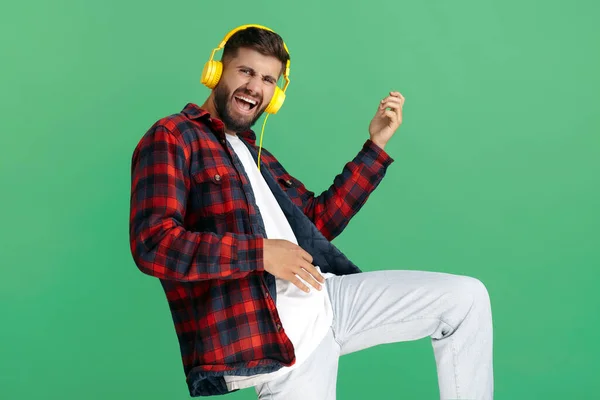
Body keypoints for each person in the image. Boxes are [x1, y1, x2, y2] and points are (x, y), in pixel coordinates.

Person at [129, 24, 493, 400]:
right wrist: (262, 252)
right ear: (217, 71)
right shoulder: (173, 136)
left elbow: (318, 221)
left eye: (268, 79)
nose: (256, 87)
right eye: (246, 71)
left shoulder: (258, 157)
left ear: (275, 94)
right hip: (275, 338)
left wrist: (376, 146)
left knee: (466, 299)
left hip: (330, 300)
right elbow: (153, 244)